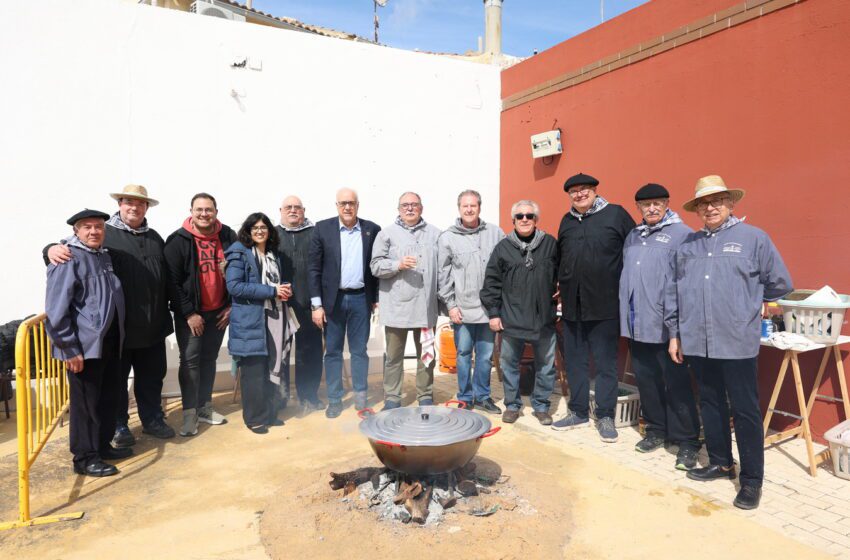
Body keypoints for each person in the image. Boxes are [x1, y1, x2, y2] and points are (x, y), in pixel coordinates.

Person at [670, 175, 792, 510]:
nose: (710, 208)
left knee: (745, 409)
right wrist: (675, 333)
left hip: (736, 339)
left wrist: (747, 304)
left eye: (717, 201)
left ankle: (751, 481)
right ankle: (721, 462)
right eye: (703, 203)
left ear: (731, 204)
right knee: (710, 403)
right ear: (696, 210)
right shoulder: (688, 245)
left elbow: (779, 283)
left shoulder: (754, 239)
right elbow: (675, 291)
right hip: (698, 339)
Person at [44, 185, 176, 446]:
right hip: (119, 330)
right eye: (129, 202)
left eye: (140, 203)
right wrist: (49, 249)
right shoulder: (104, 233)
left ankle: (152, 419)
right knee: (115, 383)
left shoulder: (155, 238)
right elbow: (70, 249)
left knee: (152, 378)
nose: (134, 207)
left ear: (147, 208)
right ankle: (119, 426)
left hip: (153, 326)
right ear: (120, 204)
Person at [619, 183, 701, 470]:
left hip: (667, 327)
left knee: (677, 384)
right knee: (647, 381)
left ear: (667, 204)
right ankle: (656, 430)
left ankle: (688, 440)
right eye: (646, 204)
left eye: (657, 203)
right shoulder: (633, 236)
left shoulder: (682, 234)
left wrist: (677, 330)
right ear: (638, 208)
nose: (651, 208)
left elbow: (686, 282)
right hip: (637, 323)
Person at [552, 172, 635, 443]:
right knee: (575, 362)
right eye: (573, 191)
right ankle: (577, 411)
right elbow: (561, 258)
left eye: (584, 189)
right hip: (573, 306)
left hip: (605, 305)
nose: (579, 194)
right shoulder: (567, 221)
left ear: (595, 190)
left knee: (605, 364)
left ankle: (605, 415)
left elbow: (634, 252)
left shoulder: (616, 215)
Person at [44, 210, 128, 477]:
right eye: (87, 227)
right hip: (84, 347)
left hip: (109, 343)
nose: (94, 231)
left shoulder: (103, 256)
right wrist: (69, 348)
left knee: (107, 398)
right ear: (76, 231)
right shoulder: (67, 258)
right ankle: (84, 458)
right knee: (86, 405)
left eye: (98, 226)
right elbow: (56, 310)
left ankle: (102, 446)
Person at [480, 200, 559, 426]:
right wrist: (493, 313)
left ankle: (541, 406)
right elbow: (491, 283)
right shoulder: (503, 248)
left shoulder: (550, 244)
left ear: (536, 219)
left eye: (529, 216)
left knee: (546, 365)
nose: (525, 219)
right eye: (520, 216)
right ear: (513, 220)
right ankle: (513, 405)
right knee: (509, 365)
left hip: (543, 318)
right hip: (511, 319)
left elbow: (564, 271)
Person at [164, 193, 236, 436]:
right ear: (191, 212)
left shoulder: (228, 236)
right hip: (191, 314)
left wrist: (231, 306)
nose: (204, 214)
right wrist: (189, 313)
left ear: (216, 211)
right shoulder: (177, 241)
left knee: (209, 359)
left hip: (219, 312)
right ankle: (189, 414)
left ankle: (205, 407)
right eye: (199, 210)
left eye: (209, 209)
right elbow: (171, 283)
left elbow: (240, 271)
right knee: (190, 361)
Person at [308, 188, 381, 418]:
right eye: (343, 203)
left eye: (351, 203)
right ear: (336, 205)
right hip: (333, 301)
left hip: (361, 299)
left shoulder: (372, 229)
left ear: (358, 205)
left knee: (359, 351)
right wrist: (317, 305)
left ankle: (360, 399)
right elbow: (314, 269)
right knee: (333, 352)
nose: (347, 207)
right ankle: (334, 400)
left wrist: (377, 299)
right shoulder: (322, 229)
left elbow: (377, 267)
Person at [371, 192, 441, 410]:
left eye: (414, 204)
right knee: (394, 356)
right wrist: (397, 264)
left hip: (425, 306)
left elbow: (444, 268)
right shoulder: (386, 234)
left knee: (426, 354)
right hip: (396, 307)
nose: (409, 208)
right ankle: (392, 397)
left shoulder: (436, 234)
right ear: (398, 209)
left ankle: (425, 394)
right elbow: (375, 266)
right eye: (405, 205)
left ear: (421, 208)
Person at [225, 213, 295, 434]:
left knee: (271, 368)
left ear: (269, 231)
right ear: (247, 231)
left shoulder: (273, 253)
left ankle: (270, 414)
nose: (259, 231)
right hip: (250, 320)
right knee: (254, 373)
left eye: (263, 227)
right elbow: (235, 286)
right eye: (254, 227)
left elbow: (273, 282)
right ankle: (255, 419)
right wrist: (272, 291)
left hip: (274, 317)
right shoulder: (238, 252)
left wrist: (283, 289)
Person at [437, 189, 505, 413]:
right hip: (462, 310)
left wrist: (500, 305)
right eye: (465, 206)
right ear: (459, 208)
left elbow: (506, 267)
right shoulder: (447, 238)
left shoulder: (495, 233)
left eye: (473, 205)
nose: (469, 209)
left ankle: (483, 396)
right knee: (464, 354)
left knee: (485, 357)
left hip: (488, 310)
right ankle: (465, 397)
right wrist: (451, 306)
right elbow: (443, 275)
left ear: (479, 208)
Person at [276, 196, 324, 416]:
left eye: (297, 207)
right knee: (280, 352)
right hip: (279, 305)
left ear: (304, 210)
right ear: (281, 210)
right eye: (289, 207)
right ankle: (280, 397)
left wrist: (318, 303)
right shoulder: (272, 234)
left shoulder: (315, 233)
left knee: (310, 351)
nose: (293, 210)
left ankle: (309, 395)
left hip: (308, 304)